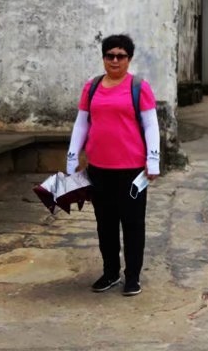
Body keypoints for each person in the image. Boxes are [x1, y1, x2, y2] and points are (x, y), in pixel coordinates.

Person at [66, 34, 160, 296]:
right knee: (105, 224)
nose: (115, 60)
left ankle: (132, 277)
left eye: (121, 56)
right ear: (104, 57)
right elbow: (82, 122)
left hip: (131, 170)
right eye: (110, 55)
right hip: (99, 168)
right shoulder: (92, 87)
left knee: (132, 224)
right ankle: (110, 273)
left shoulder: (139, 87)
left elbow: (151, 125)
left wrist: (153, 160)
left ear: (129, 59)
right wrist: (73, 156)